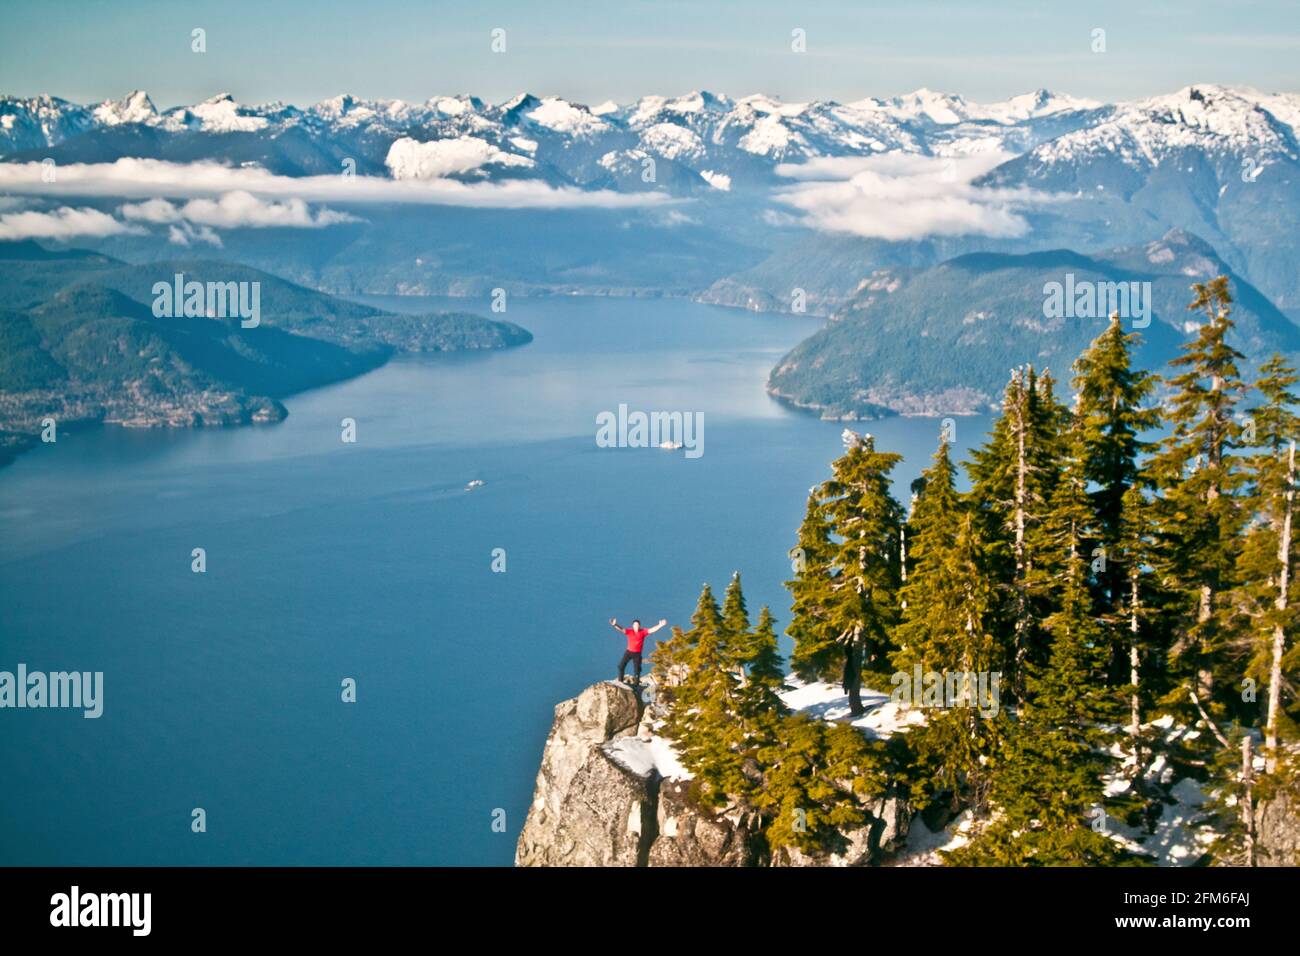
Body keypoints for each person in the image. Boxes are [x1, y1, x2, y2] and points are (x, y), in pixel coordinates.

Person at [608, 617, 667, 687]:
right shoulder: (630, 631)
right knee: (620, 666)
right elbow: (621, 629)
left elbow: (651, 630)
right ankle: (620, 682)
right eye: (635, 625)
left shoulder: (643, 632)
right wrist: (615, 625)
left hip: (637, 654)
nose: (636, 626)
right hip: (628, 652)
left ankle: (636, 685)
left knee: (637, 670)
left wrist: (660, 625)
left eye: (637, 625)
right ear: (632, 626)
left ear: (639, 626)